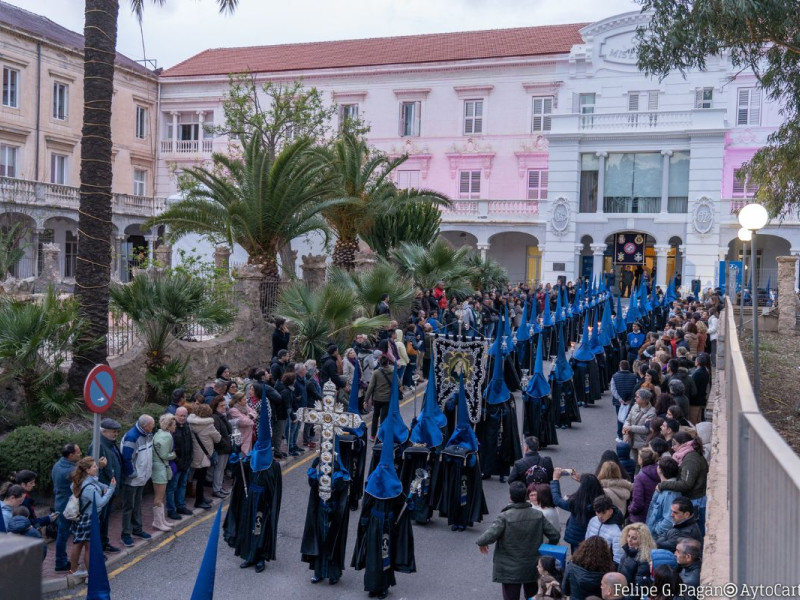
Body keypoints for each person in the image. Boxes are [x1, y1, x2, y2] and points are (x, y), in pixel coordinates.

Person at [351, 409, 416, 599]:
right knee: (373, 557)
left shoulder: (395, 485)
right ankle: (372, 586)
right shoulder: (374, 481)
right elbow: (367, 504)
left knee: (384, 555)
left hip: (387, 525)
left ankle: (384, 586)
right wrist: (363, 521)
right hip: (373, 524)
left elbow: (400, 506)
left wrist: (408, 506)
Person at [230, 381, 283, 574]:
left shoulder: (273, 467)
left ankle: (260, 557)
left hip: (264, 504)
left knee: (260, 530)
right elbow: (238, 475)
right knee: (248, 528)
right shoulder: (250, 461)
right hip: (250, 499)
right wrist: (236, 459)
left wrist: (268, 502)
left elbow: (275, 489)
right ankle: (249, 555)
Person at [476, 481, 560, 600]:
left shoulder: (504, 517)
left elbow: (487, 537)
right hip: (532, 566)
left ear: (510, 497)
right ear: (525, 496)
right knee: (532, 596)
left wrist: (481, 543)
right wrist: (544, 550)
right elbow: (555, 535)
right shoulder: (537, 515)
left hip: (509, 570)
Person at [301, 438, 352, 585]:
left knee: (332, 543)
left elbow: (342, 486)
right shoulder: (319, 474)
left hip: (334, 513)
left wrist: (337, 470)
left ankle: (334, 573)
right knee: (319, 541)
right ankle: (319, 572)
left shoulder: (340, 476)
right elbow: (312, 484)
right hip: (320, 512)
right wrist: (314, 464)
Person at [68, 457, 116, 577]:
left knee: (77, 544)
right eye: (94, 466)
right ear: (87, 470)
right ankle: (91, 575)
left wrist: (104, 487)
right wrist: (111, 488)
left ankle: (73, 570)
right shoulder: (89, 487)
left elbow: (97, 483)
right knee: (89, 548)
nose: (97, 468)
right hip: (90, 519)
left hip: (80, 517)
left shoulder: (79, 480)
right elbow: (100, 503)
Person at [84, 418, 123, 552]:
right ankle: (98, 548)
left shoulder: (111, 444)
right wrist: (100, 467)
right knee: (100, 520)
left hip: (109, 489)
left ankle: (104, 543)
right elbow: (91, 471)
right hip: (103, 490)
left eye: (117, 432)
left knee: (105, 519)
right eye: (113, 431)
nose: (116, 434)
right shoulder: (97, 446)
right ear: (104, 431)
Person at [658, 433, 708, 533]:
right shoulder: (688, 455)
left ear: (683, 444)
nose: (673, 447)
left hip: (696, 501)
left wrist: (663, 484)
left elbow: (686, 484)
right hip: (694, 499)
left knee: (695, 531)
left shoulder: (690, 459)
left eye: (674, 444)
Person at [120, 415, 154, 548]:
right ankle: (126, 534)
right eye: (152, 425)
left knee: (138, 504)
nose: (153, 427)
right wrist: (133, 474)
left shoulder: (148, 434)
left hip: (142, 478)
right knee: (128, 507)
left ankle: (137, 529)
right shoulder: (132, 437)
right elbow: (127, 459)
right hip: (133, 480)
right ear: (145, 426)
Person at [551, 470, 605, 553]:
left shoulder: (577, 504)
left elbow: (557, 500)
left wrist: (555, 480)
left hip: (577, 538)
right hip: (595, 537)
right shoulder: (601, 500)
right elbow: (590, 488)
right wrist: (582, 480)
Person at [52, 443, 82, 571]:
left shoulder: (57, 465)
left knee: (62, 533)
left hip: (59, 502)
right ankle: (60, 563)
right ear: (71, 455)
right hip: (68, 506)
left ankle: (61, 561)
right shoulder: (70, 471)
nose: (80, 454)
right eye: (78, 452)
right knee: (63, 534)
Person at [188, 403, 221, 510]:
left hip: (195, 454)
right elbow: (218, 438)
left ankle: (201, 498)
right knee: (201, 479)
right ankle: (199, 501)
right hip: (205, 455)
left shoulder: (191, 423)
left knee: (198, 478)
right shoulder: (209, 425)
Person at [151, 413, 177, 532]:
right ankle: (157, 522)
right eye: (174, 424)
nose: (175, 426)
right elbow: (164, 454)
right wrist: (173, 455)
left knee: (160, 496)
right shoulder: (168, 436)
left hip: (157, 466)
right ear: (169, 425)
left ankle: (161, 520)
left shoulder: (159, 433)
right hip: (161, 468)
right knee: (159, 497)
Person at [166, 407, 193, 521]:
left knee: (182, 485)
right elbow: (170, 449)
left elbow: (190, 444)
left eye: (184, 416)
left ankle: (181, 506)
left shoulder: (187, 426)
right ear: (175, 415)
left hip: (186, 463)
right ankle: (171, 510)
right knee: (172, 487)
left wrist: (189, 460)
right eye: (180, 415)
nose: (182, 418)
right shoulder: (171, 429)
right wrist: (179, 462)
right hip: (175, 464)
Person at [583, 495, 624, 565]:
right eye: (598, 512)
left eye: (603, 513)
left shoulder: (617, 531)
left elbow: (618, 558)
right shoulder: (593, 520)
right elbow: (586, 541)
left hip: (605, 566)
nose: (600, 516)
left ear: (610, 511)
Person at [622, 389, 656, 467]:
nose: (635, 398)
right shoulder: (635, 406)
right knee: (635, 462)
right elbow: (628, 419)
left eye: (637, 397)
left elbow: (647, 429)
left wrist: (631, 428)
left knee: (642, 463)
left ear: (644, 400)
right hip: (631, 439)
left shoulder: (652, 412)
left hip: (642, 441)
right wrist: (625, 427)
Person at [617, 523, 656, 590]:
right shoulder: (628, 551)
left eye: (634, 538)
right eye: (628, 536)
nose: (629, 540)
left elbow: (639, 587)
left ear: (643, 541)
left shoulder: (644, 559)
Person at [365, 355, 393, 442]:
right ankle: (381, 436)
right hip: (387, 399)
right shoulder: (393, 371)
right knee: (384, 418)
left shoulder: (376, 372)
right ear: (388, 362)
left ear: (380, 363)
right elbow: (399, 384)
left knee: (375, 417)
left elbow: (371, 387)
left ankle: (373, 436)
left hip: (377, 399)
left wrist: (366, 400)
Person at [628, 447, 659, 523]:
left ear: (641, 460)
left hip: (642, 517)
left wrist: (630, 508)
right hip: (655, 513)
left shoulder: (640, 477)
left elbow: (638, 502)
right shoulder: (660, 471)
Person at [210, 396, 233, 498]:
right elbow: (217, 435)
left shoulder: (222, 416)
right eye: (222, 405)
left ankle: (219, 487)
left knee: (222, 469)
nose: (224, 407)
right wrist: (226, 444)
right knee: (218, 469)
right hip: (220, 448)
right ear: (216, 406)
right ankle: (216, 489)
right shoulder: (215, 417)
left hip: (225, 448)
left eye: (225, 405)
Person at [611, 361, 638, 441]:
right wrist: (631, 399)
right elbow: (635, 389)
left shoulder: (615, 376)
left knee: (620, 418)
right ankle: (627, 434)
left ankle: (620, 435)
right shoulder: (634, 376)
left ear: (620, 366)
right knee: (629, 418)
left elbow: (613, 389)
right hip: (630, 402)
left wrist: (619, 399)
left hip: (618, 402)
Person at [689, 353, 710, 424]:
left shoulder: (697, 374)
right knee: (698, 419)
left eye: (695, 361)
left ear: (698, 363)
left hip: (696, 401)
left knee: (694, 420)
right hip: (701, 399)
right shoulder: (705, 371)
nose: (694, 362)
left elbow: (693, 387)